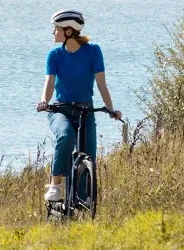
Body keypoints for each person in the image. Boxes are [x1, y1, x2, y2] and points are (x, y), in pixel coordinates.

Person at [36, 10, 122, 202]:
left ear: (68, 31)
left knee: (89, 155)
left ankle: (82, 203)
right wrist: (44, 101)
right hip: (60, 109)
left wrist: (111, 109)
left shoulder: (93, 51)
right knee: (65, 136)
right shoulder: (55, 55)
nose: (53, 33)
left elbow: (101, 84)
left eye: (56, 29)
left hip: (85, 110)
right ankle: (55, 185)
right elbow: (49, 83)